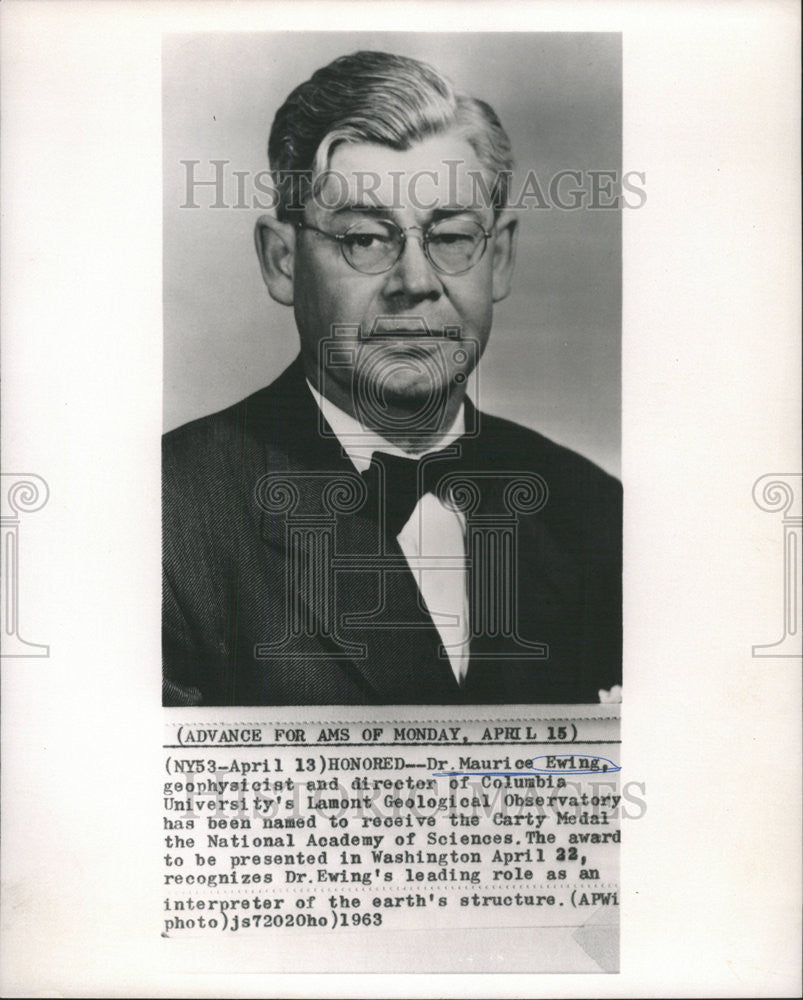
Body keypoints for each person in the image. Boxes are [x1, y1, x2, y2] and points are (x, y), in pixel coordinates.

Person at [163, 50, 621, 706]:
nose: (415, 282)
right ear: (281, 262)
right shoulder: (167, 520)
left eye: (451, 237)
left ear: (498, 259)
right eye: (366, 240)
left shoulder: (596, 513)